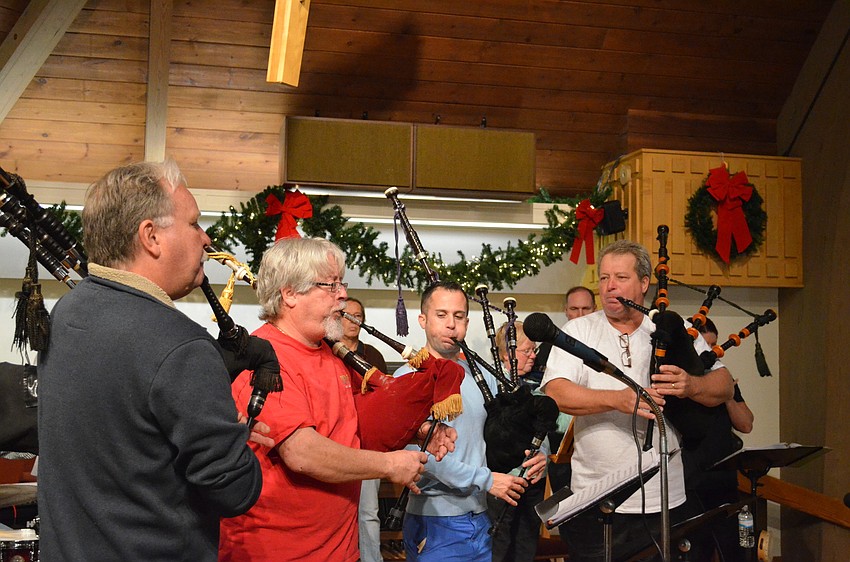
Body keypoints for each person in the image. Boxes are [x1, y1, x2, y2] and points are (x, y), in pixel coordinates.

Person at [37, 160, 268, 561]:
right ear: (152, 237)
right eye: (194, 223)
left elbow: (126, 441)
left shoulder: (68, 312)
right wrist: (233, 440)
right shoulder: (181, 346)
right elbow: (234, 490)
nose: (206, 238)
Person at [219, 237, 454, 562]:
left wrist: (417, 431)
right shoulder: (263, 357)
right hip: (276, 552)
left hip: (340, 550)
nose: (342, 294)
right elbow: (303, 452)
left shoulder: (329, 353)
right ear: (289, 293)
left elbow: (349, 426)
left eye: (341, 283)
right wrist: (389, 465)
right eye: (329, 286)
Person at [542, 240, 734, 562]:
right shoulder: (579, 330)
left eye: (620, 277)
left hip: (664, 496)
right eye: (603, 279)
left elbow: (725, 385)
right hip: (597, 498)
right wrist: (618, 399)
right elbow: (557, 392)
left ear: (644, 283)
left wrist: (691, 385)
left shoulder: (674, 328)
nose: (609, 286)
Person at [397, 281, 530, 562]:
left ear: (467, 323)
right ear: (423, 320)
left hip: (481, 517)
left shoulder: (481, 374)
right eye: (441, 315)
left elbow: (517, 422)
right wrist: (485, 479)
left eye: (458, 317)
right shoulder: (406, 378)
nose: (451, 325)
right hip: (434, 522)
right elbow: (416, 455)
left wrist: (537, 452)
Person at [486, 320, 562, 562]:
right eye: (526, 350)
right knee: (499, 547)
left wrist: (544, 458)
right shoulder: (489, 385)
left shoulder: (535, 385)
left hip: (531, 481)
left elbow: (546, 427)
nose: (532, 356)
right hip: (502, 482)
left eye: (534, 350)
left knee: (525, 547)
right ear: (507, 352)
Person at [684, 318, 754, 562]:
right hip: (690, 481)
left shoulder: (723, 377)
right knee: (696, 551)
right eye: (706, 345)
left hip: (723, 479)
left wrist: (725, 394)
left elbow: (746, 424)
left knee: (732, 548)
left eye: (714, 345)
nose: (712, 352)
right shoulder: (681, 379)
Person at [342, 296, 390, 562]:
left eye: (357, 315)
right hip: (335, 440)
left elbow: (385, 399)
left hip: (367, 440)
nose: (353, 320)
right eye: (347, 315)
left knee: (369, 510)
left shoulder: (373, 355)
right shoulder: (326, 351)